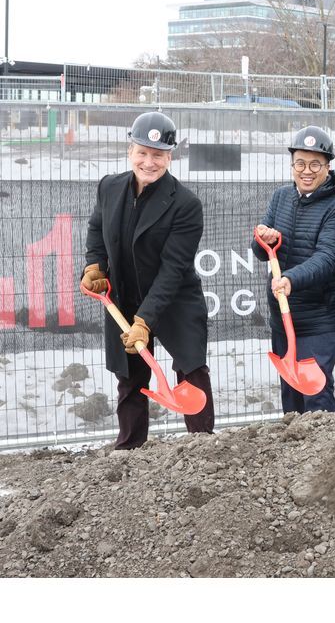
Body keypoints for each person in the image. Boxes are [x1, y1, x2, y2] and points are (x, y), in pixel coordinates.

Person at [81, 111, 214, 449]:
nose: (149, 162)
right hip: (124, 294)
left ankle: (203, 448)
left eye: (158, 155)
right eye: (142, 152)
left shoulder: (186, 205)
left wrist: (144, 321)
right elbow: (96, 228)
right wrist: (95, 266)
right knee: (130, 376)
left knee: (191, 369)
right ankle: (129, 448)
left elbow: (173, 269)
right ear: (131, 151)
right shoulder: (109, 187)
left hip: (174, 300)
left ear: (170, 157)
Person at [252, 125, 335, 414]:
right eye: (300, 163)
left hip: (318, 320)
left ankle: (324, 444)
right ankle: (294, 444)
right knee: (291, 396)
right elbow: (261, 251)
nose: (306, 171)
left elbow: (330, 258)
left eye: (315, 164)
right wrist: (262, 239)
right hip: (283, 318)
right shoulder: (281, 197)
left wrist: (291, 279)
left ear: (327, 167)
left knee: (316, 395)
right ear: (292, 165)